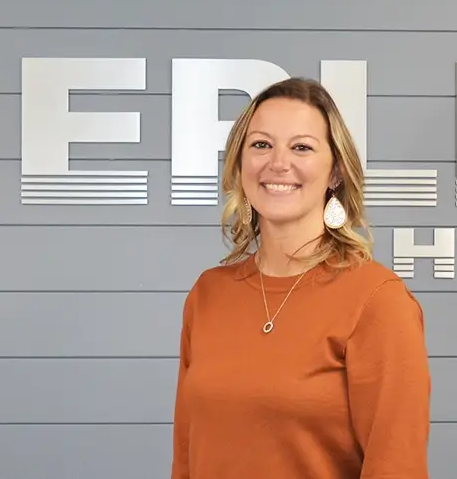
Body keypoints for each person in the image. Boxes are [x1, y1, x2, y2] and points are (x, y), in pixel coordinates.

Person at [170, 76, 432, 479]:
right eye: (261, 145)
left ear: (335, 172)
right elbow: (186, 460)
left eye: (301, 147)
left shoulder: (376, 300)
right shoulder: (209, 294)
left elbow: (397, 468)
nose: (278, 163)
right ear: (239, 165)